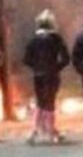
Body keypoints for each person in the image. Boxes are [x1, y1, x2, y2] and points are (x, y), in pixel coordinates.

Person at [24, 9, 71, 144]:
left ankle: (35, 130)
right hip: (52, 75)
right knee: (50, 101)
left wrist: (36, 67)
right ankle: (50, 130)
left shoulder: (33, 40)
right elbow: (66, 58)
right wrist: (57, 67)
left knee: (40, 102)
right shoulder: (56, 39)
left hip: (38, 75)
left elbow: (26, 59)